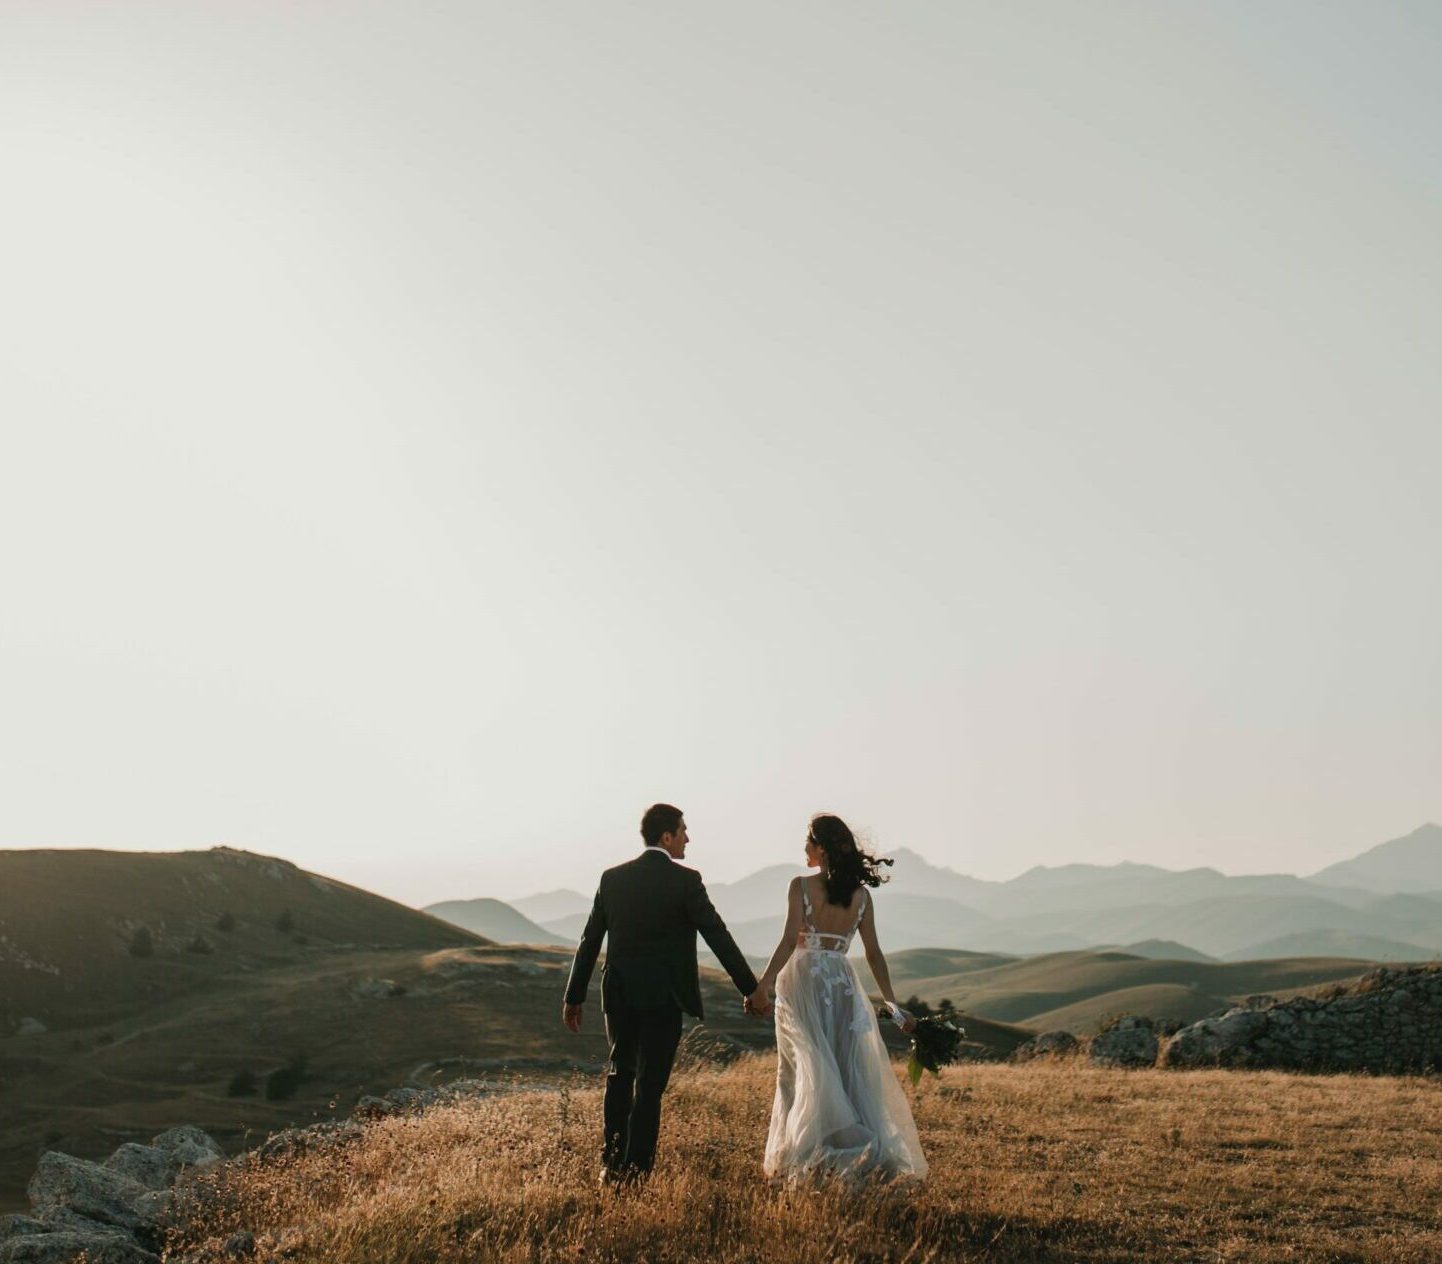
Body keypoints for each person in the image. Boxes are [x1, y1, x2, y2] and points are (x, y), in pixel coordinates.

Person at [562, 803, 769, 1183]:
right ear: (667, 836)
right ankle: (637, 1172)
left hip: (620, 996)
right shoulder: (686, 881)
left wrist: (574, 995)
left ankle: (611, 1166)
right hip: (664, 999)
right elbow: (717, 936)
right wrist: (751, 988)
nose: (688, 838)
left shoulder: (612, 879)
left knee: (620, 1074)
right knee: (650, 1086)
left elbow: (589, 939)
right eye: (683, 830)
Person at [755, 813, 928, 1180]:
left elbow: (789, 941)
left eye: (807, 842)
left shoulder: (800, 886)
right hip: (842, 984)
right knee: (845, 1069)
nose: (803, 848)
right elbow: (874, 953)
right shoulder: (861, 896)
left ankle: (804, 1155)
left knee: (800, 1067)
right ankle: (853, 1154)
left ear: (820, 848)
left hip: (802, 982)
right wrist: (892, 1004)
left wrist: (764, 985)